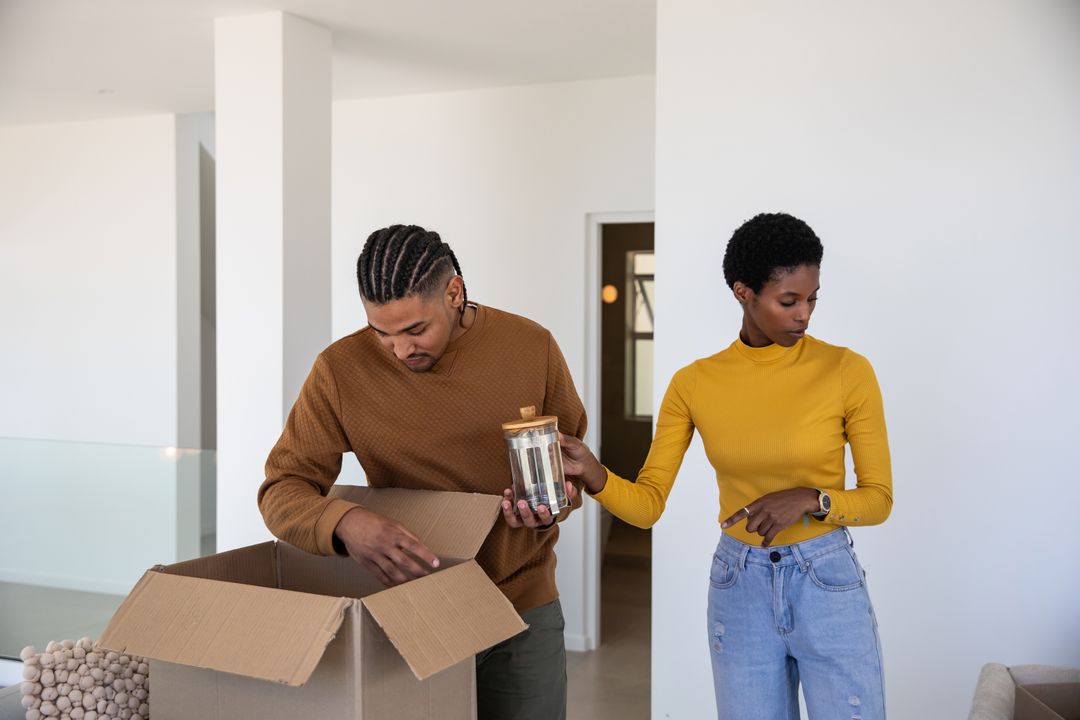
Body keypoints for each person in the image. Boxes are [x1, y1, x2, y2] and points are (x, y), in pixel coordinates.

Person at [561, 213, 893, 719]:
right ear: (743, 292)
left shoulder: (847, 371)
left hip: (826, 579)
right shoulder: (694, 384)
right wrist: (593, 473)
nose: (805, 314)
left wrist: (811, 499)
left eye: (812, 299)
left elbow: (878, 500)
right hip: (740, 585)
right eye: (789, 301)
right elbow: (647, 506)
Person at [258, 224, 586, 720]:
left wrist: (551, 507)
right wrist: (346, 523)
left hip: (521, 607)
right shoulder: (339, 370)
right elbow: (281, 489)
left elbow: (569, 467)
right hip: (413, 613)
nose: (399, 350)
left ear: (454, 293)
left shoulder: (532, 345)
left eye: (415, 331)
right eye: (381, 333)